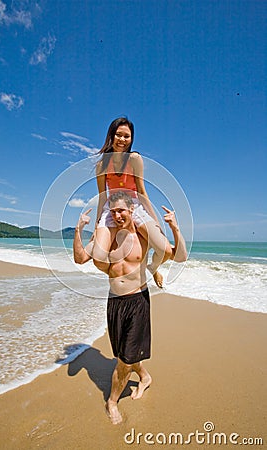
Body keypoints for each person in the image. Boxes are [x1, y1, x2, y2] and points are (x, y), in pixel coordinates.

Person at [73, 190, 187, 425]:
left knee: (124, 360)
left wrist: (174, 228)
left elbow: (175, 254)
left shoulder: (142, 235)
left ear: (132, 210)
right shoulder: (106, 236)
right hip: (115, 302)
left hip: (137, 301)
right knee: (124, 352)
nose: (117, 215)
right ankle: (144, 377)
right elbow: (80, 258)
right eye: (113, 211)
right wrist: (78, 230)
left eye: (122, 210)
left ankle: (112, 402)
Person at [92, 117, 171, 288]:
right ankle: (125, 272)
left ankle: (152, 268)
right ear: (111, 136)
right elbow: (102, 196)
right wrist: (96, 224)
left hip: (134, 205)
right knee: (98, 257)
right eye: (118, 135)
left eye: (126, 136)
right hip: (112, 207)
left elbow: (142, 191)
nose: (122, 140)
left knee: (165, 250)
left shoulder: (134, 159)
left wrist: (157, 223)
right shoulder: (102, 165)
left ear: (131, 139)